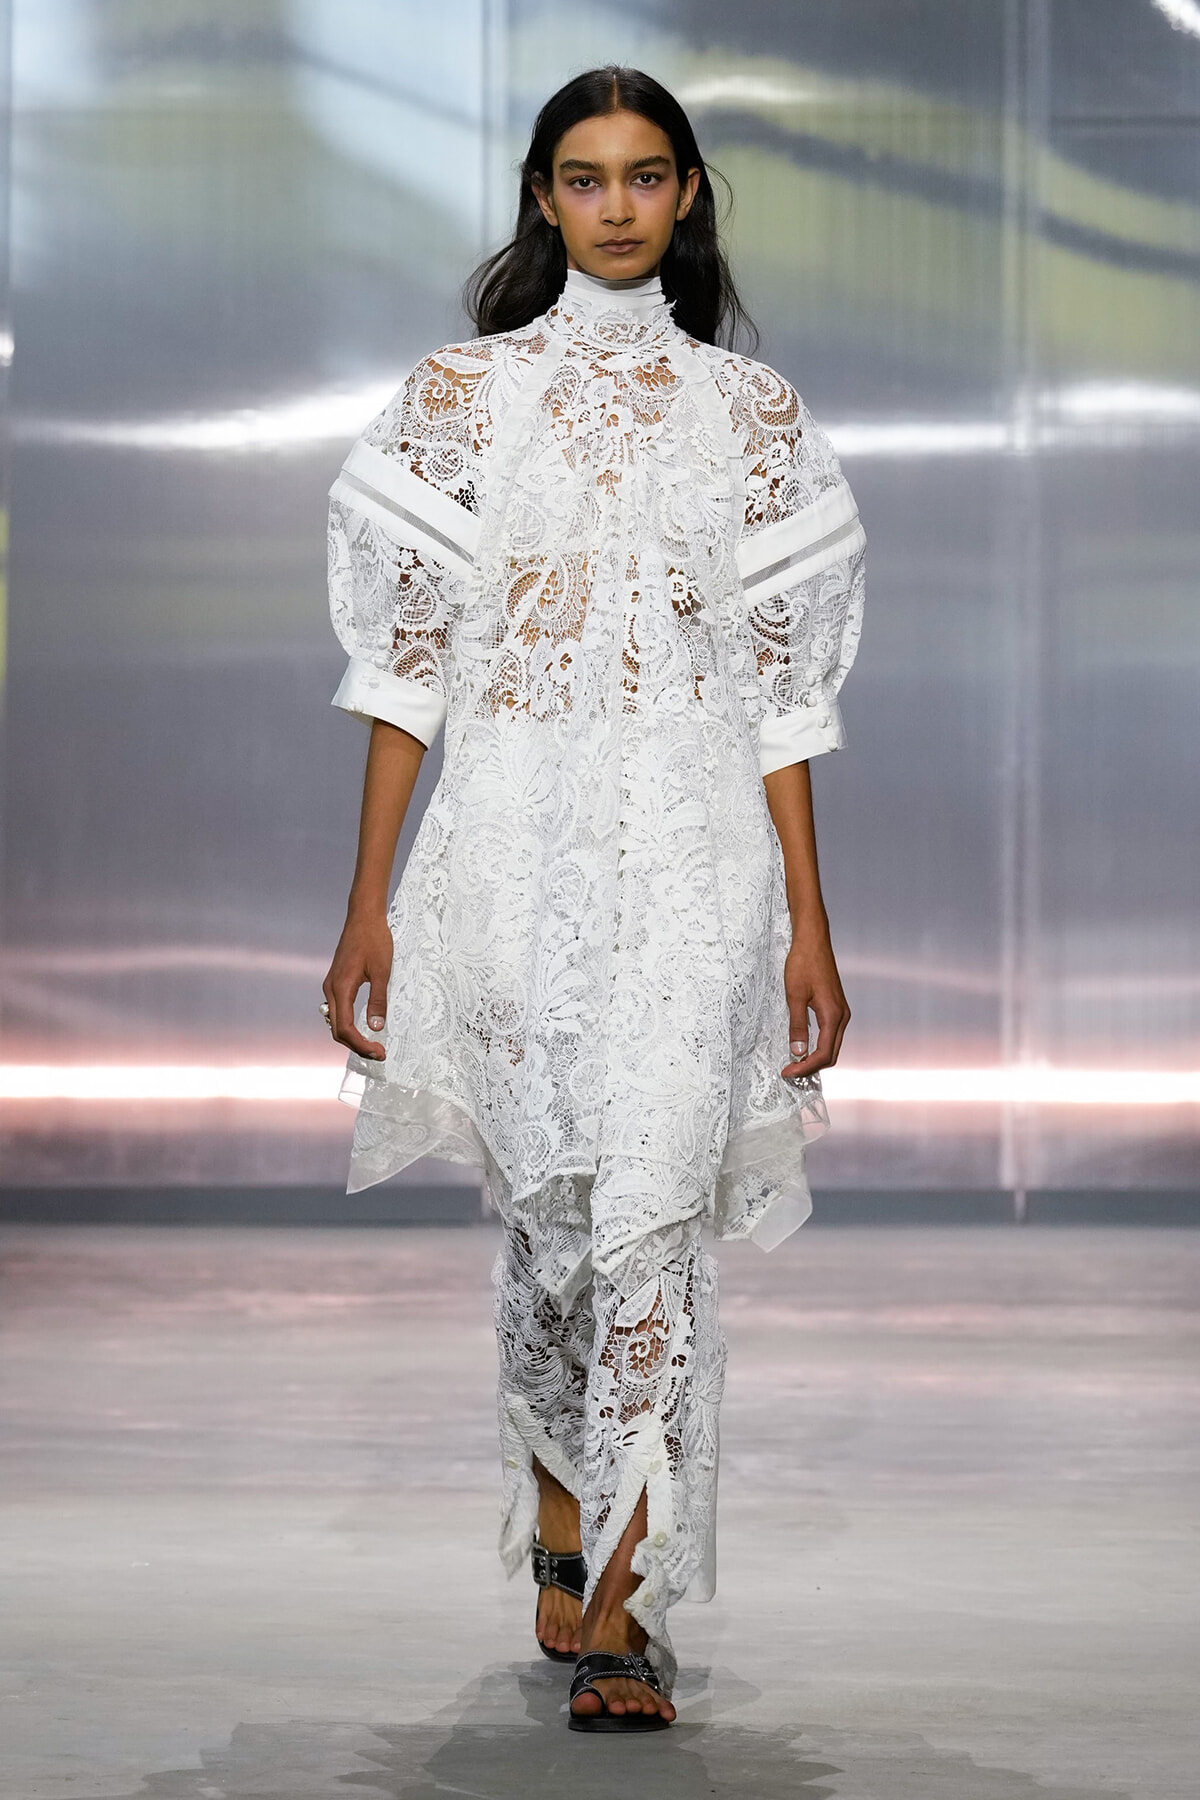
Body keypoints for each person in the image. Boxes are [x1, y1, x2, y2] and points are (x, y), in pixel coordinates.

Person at [320, 65, 864, 1734]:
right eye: (582, 176)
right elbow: (404, 671)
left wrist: (811, 921)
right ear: (542, 198)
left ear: (688, 193)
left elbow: (786, 698)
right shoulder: (459, 400)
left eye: (644, 175)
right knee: (556, 1214)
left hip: (695, 862)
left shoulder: (753, 421)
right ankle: (559, 1518)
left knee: (655, 1217)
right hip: (512, 851)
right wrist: (370, 908)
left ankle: (623, 1606)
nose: (615, 204)